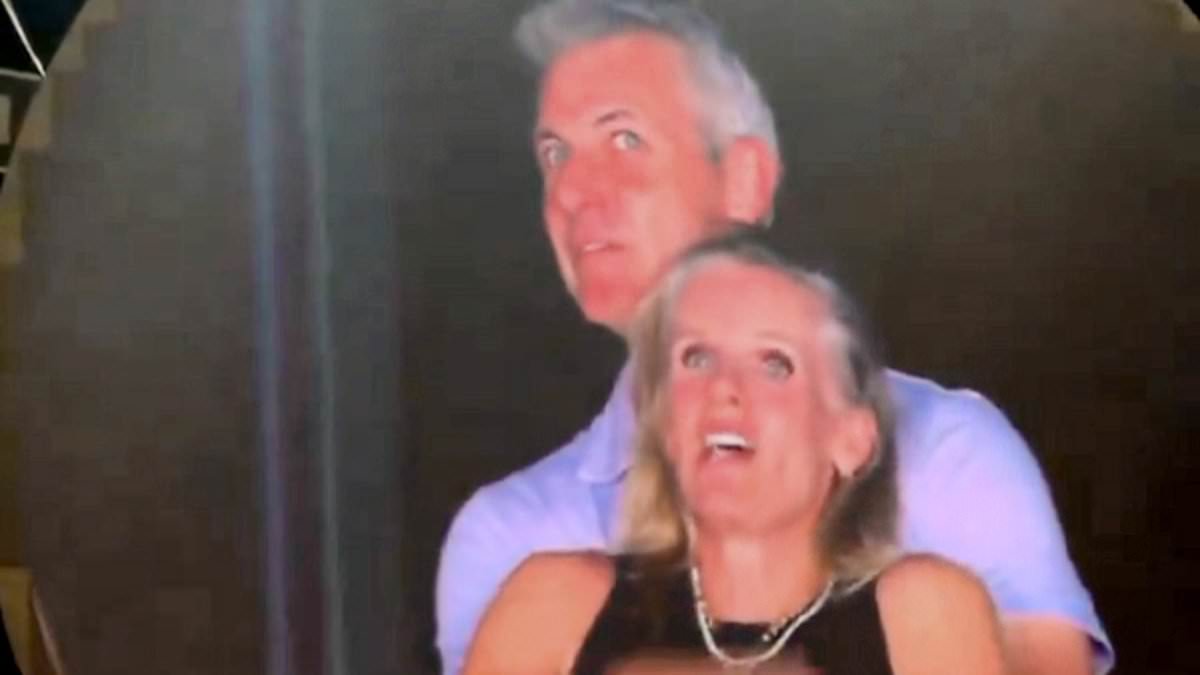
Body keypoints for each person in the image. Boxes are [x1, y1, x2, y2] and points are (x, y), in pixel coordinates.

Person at [436, 1, 1111, 673]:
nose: (572, 191)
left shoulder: (947, 449)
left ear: (745, 179)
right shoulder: (514, 539)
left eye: (625, 140)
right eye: (556, 153)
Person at [464, 236, 1010, 674]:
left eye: (775, 364)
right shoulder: (558, 604)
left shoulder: (923, 611)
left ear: (852, 440)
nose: (722, 388)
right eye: (696, 358)